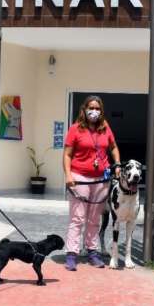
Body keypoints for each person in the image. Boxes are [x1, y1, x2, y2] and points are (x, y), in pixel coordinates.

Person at [63, 95, 121, 271]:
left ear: (101, 111)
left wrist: (117, 164)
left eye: (97, 108)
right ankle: (72, 253)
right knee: (78, 218)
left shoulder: (105, 128)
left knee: (94, 218)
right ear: (84, 109)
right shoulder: (75, 129)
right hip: (80, 177)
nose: (94, 111)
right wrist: (68, 176)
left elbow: (113, 147)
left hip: (101, 179)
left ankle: (92, 251)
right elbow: (67, 154)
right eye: (91, 108)